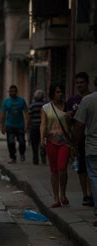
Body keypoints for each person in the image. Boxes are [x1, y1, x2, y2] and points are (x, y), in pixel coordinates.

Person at [40, 82, 70, 208]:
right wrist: (42, 137)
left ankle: (63, 194)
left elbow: (72, 124)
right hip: (51, 142)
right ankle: (56, 197)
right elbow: (43, 124)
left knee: (62, 168)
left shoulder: (67, 106)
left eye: (61, 91)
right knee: (54, 170)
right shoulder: (46, 107)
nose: (60, 94)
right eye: (57, 92)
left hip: (65, 142)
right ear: (52, 93)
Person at [66, 72, 94, 207]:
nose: (79, 85)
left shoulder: (91, 99)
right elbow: (69, 122)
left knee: (92, 170)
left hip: (91, 138)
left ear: (87, 83)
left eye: (82, 82)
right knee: (82, 169)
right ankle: (86, 195)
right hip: (80, 139)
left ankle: (93, 193)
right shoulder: (72, 101)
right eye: (77, 83)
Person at [74, 76, 97, 226]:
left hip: (92, 146)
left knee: (94, 178)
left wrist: (76, 144)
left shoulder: (88, 100)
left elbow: (79, 125)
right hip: (91, 146)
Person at [0, 85, 28, 163]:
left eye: (14, 91)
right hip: (9, 125)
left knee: (22, 142)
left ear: (16, 92)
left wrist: (27, 125)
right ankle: (13, 157)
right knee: (11, 142)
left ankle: (22, 153)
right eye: (11, 91)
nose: (12, 93)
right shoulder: (6, 101)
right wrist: (2, 126)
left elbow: (26, 112)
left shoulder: (21, 101)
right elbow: (3, 114)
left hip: (20, 125)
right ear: (9, 92)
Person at [27, 90, 46, 165]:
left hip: (34, 126)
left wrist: (27, 125)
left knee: (34, 143)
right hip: (43, 127)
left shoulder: (32, 106)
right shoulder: (45, 105)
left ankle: (35, 158)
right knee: (43, 142)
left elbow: (29, 116)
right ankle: (43, 153)